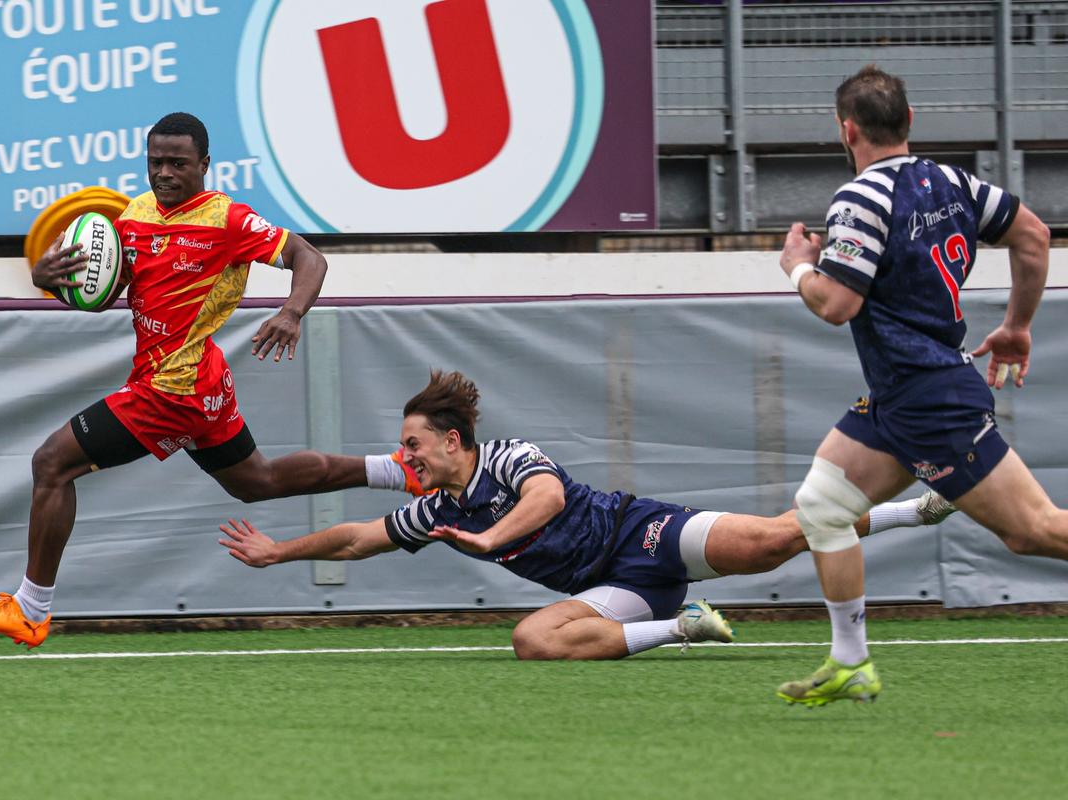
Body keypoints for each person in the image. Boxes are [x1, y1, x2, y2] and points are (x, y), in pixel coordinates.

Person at [0, 113, 424, 648]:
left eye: (178, 163)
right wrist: (52, 280)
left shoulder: (228, 221)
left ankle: (31, 609)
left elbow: (307, 258)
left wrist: (291, 313)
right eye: (156, 162)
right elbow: (108, 293)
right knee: (257, 482)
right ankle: (396, 470)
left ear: (204, 164)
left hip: (171, 392)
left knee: (51, 463)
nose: (165, 173)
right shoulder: (135, 215)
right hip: (198, 381)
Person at [217, 370, 956, 661]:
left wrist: (489, 536)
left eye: (411, 442)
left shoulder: (505, 456)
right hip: (615, 588)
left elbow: (550, 499)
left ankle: (910, 511)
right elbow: (355, 539)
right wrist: (277, 552)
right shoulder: (434, 507)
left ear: (451, 441)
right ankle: (683, 628)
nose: (401, 454)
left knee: (773, 541)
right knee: (532, 641)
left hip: (643, 536)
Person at [774, 65, 1055, 705]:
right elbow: (1033, 236)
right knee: (822, 507)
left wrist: (797, 267)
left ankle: (852, 660)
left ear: (847, 130)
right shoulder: (952, 182)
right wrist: (1016, 326)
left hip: (927, 394)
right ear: (909, 123)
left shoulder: (858, 199)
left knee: (1032, 531)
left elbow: (837, 304)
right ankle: (852, 663)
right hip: (901, 396)